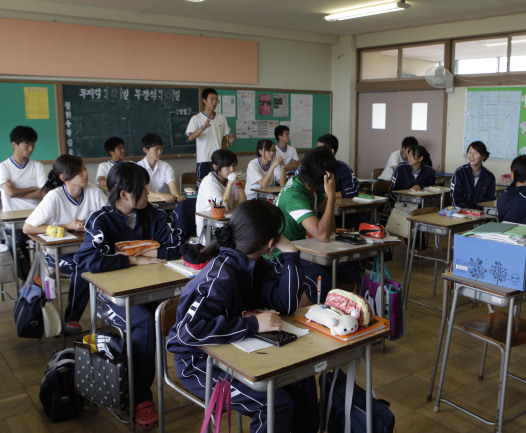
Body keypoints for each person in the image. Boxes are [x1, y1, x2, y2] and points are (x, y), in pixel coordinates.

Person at [166, 200, 319, 433]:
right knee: (275, 405)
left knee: (302, 379)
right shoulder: (221, 276)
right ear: (270, 243)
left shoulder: (255, 264)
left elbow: (286, 306)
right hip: (199, 364)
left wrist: (291, 255)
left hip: (239, 350)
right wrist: (253, 323)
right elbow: (188, 332)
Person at [72, 162, 182, 430]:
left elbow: (177, 246)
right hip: (111, 299)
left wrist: (129, 252)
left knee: (188, 308)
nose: (148, 193)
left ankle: (199, 377)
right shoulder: (101, 220)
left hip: (154, 290)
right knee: (144, 322)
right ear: (124, 195)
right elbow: (86, 259)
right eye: (142, 189)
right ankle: (141, 397)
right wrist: (134, 261)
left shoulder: (154, 215)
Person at [22, 154, 108, 333]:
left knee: (97, 263)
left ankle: (109, 312)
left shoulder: (93, 191)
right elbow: (28, 228)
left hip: (86, 249)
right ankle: (73, 318)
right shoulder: (54, 197)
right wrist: (65, 226)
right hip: (57, 255)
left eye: (84, 169)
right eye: (79, 172)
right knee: (83, 267)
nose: (85, 174)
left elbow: (109, 217)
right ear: (64, 178)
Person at [274, 147, 348, 293]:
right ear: (326, 176)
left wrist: (328, 198)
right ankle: (298, 313)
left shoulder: (310, 187)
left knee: (347, 266)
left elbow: (330, 230)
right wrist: (332, 195)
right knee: (321, 281)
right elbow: (323, 235)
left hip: (299, 246)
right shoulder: (295, 196)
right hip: (279, 254)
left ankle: (341, 307)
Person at [0, 126, 47, 278]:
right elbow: (10, 193)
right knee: (18, 243)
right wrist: (32, 189)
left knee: (52, 238)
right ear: (14, 144)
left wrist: (18, 191)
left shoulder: (37, 166)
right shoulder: (3, 167)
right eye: (27, 144)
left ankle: (45, 274)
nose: (31, 148)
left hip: (36, 219)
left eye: (33, 144)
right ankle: (29, 280)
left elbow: (43, 193)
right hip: (13, 223)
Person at [186, 88, 236, 185]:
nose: (214, 102)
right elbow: (190, 137)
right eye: (212, 99)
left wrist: (223, 152)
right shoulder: (196, 118)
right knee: (202, 188)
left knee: (221, 187)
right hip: (204, 159)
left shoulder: (221, 118)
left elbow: (224, 138)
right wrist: (202, 128)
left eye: (216, 100)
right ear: (204, 100)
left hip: (219, 161)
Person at [195, 149, 245, 240]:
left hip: (228, 224)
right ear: (215, 167)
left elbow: (242, 204)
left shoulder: (229, 179)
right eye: (227, 166)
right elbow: (221, 207)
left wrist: (239, 185)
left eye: (233, 165)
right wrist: (230, 184)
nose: (232, 169)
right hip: (210, 229)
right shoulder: (209, 182)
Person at [136, 133, 183, 203]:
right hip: (145, 203)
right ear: (145, 150)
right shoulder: (138, 167)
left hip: (163, 203)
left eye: (161, 148)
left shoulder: (166, 166)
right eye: (156, 149)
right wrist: (161, 195)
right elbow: (143, 190)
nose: (160, 152)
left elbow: (172, 185)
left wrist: (176, 194)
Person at [450, 140, 496, 209]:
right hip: (461, 213)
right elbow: (456, 196)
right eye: (470, 152)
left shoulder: (489, 176)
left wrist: (479, 212)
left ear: (483, 156)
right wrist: (467, 211)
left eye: (476, 153)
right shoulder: (460, 172)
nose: (471, 156)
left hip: (480, 214)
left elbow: (490, 199)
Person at [316, 133, 359, 198]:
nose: (316, 152)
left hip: (337, 205)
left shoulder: (344, 168)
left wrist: (326, 196)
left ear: (331, 151)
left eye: (320, 149)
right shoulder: (307, 167)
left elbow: (353, 190)